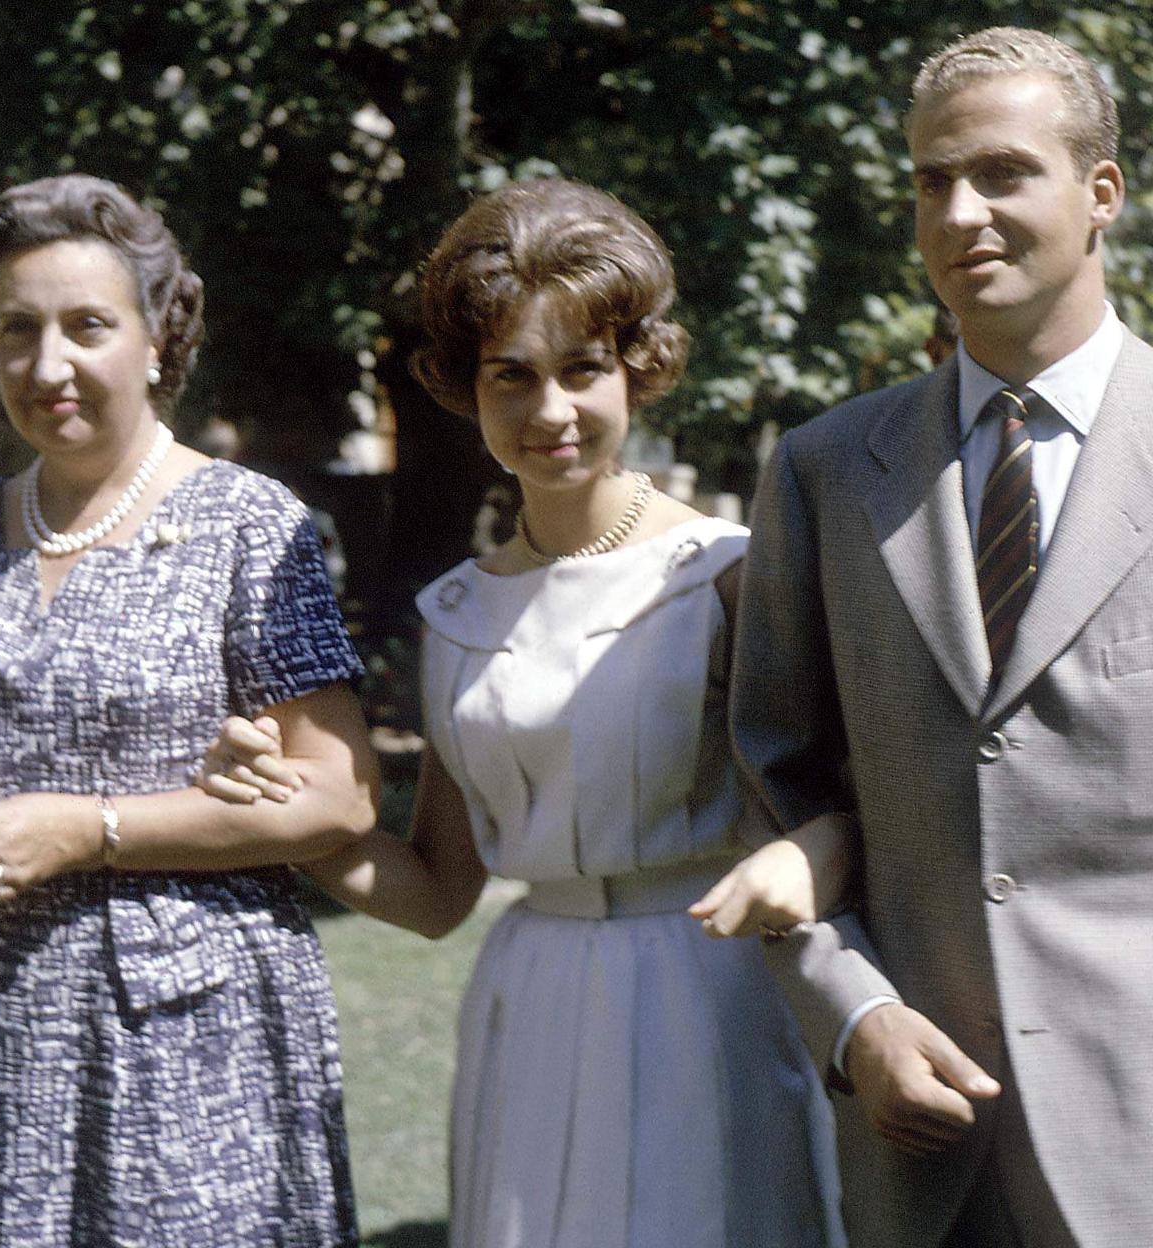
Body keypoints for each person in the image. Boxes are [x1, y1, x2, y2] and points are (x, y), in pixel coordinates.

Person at [205, 178, 849, 1247]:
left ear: (636, 369)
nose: (550, 412)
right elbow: (440, 893)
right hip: (529, 996)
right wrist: (289, 821)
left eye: (582, 370)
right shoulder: (457, 615)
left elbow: (843, 811)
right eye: (512, 377)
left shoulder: (730, 576)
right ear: (467, 390)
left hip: (708, 989)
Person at [727, 26, 1148, 1248]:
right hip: (925, 1145)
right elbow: (776, 784)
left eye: (1003, 173)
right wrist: (852, 1016)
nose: (960, 212)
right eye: (930, 181)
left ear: (1102, 193)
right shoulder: (821, 471)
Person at [0, 174, 377, 1247]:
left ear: (160, 338)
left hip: (184, 1029)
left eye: (87, 327)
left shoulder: (251, 527)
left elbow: (342, 796)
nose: (48, 365)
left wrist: (88, 830)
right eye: (17, 331)